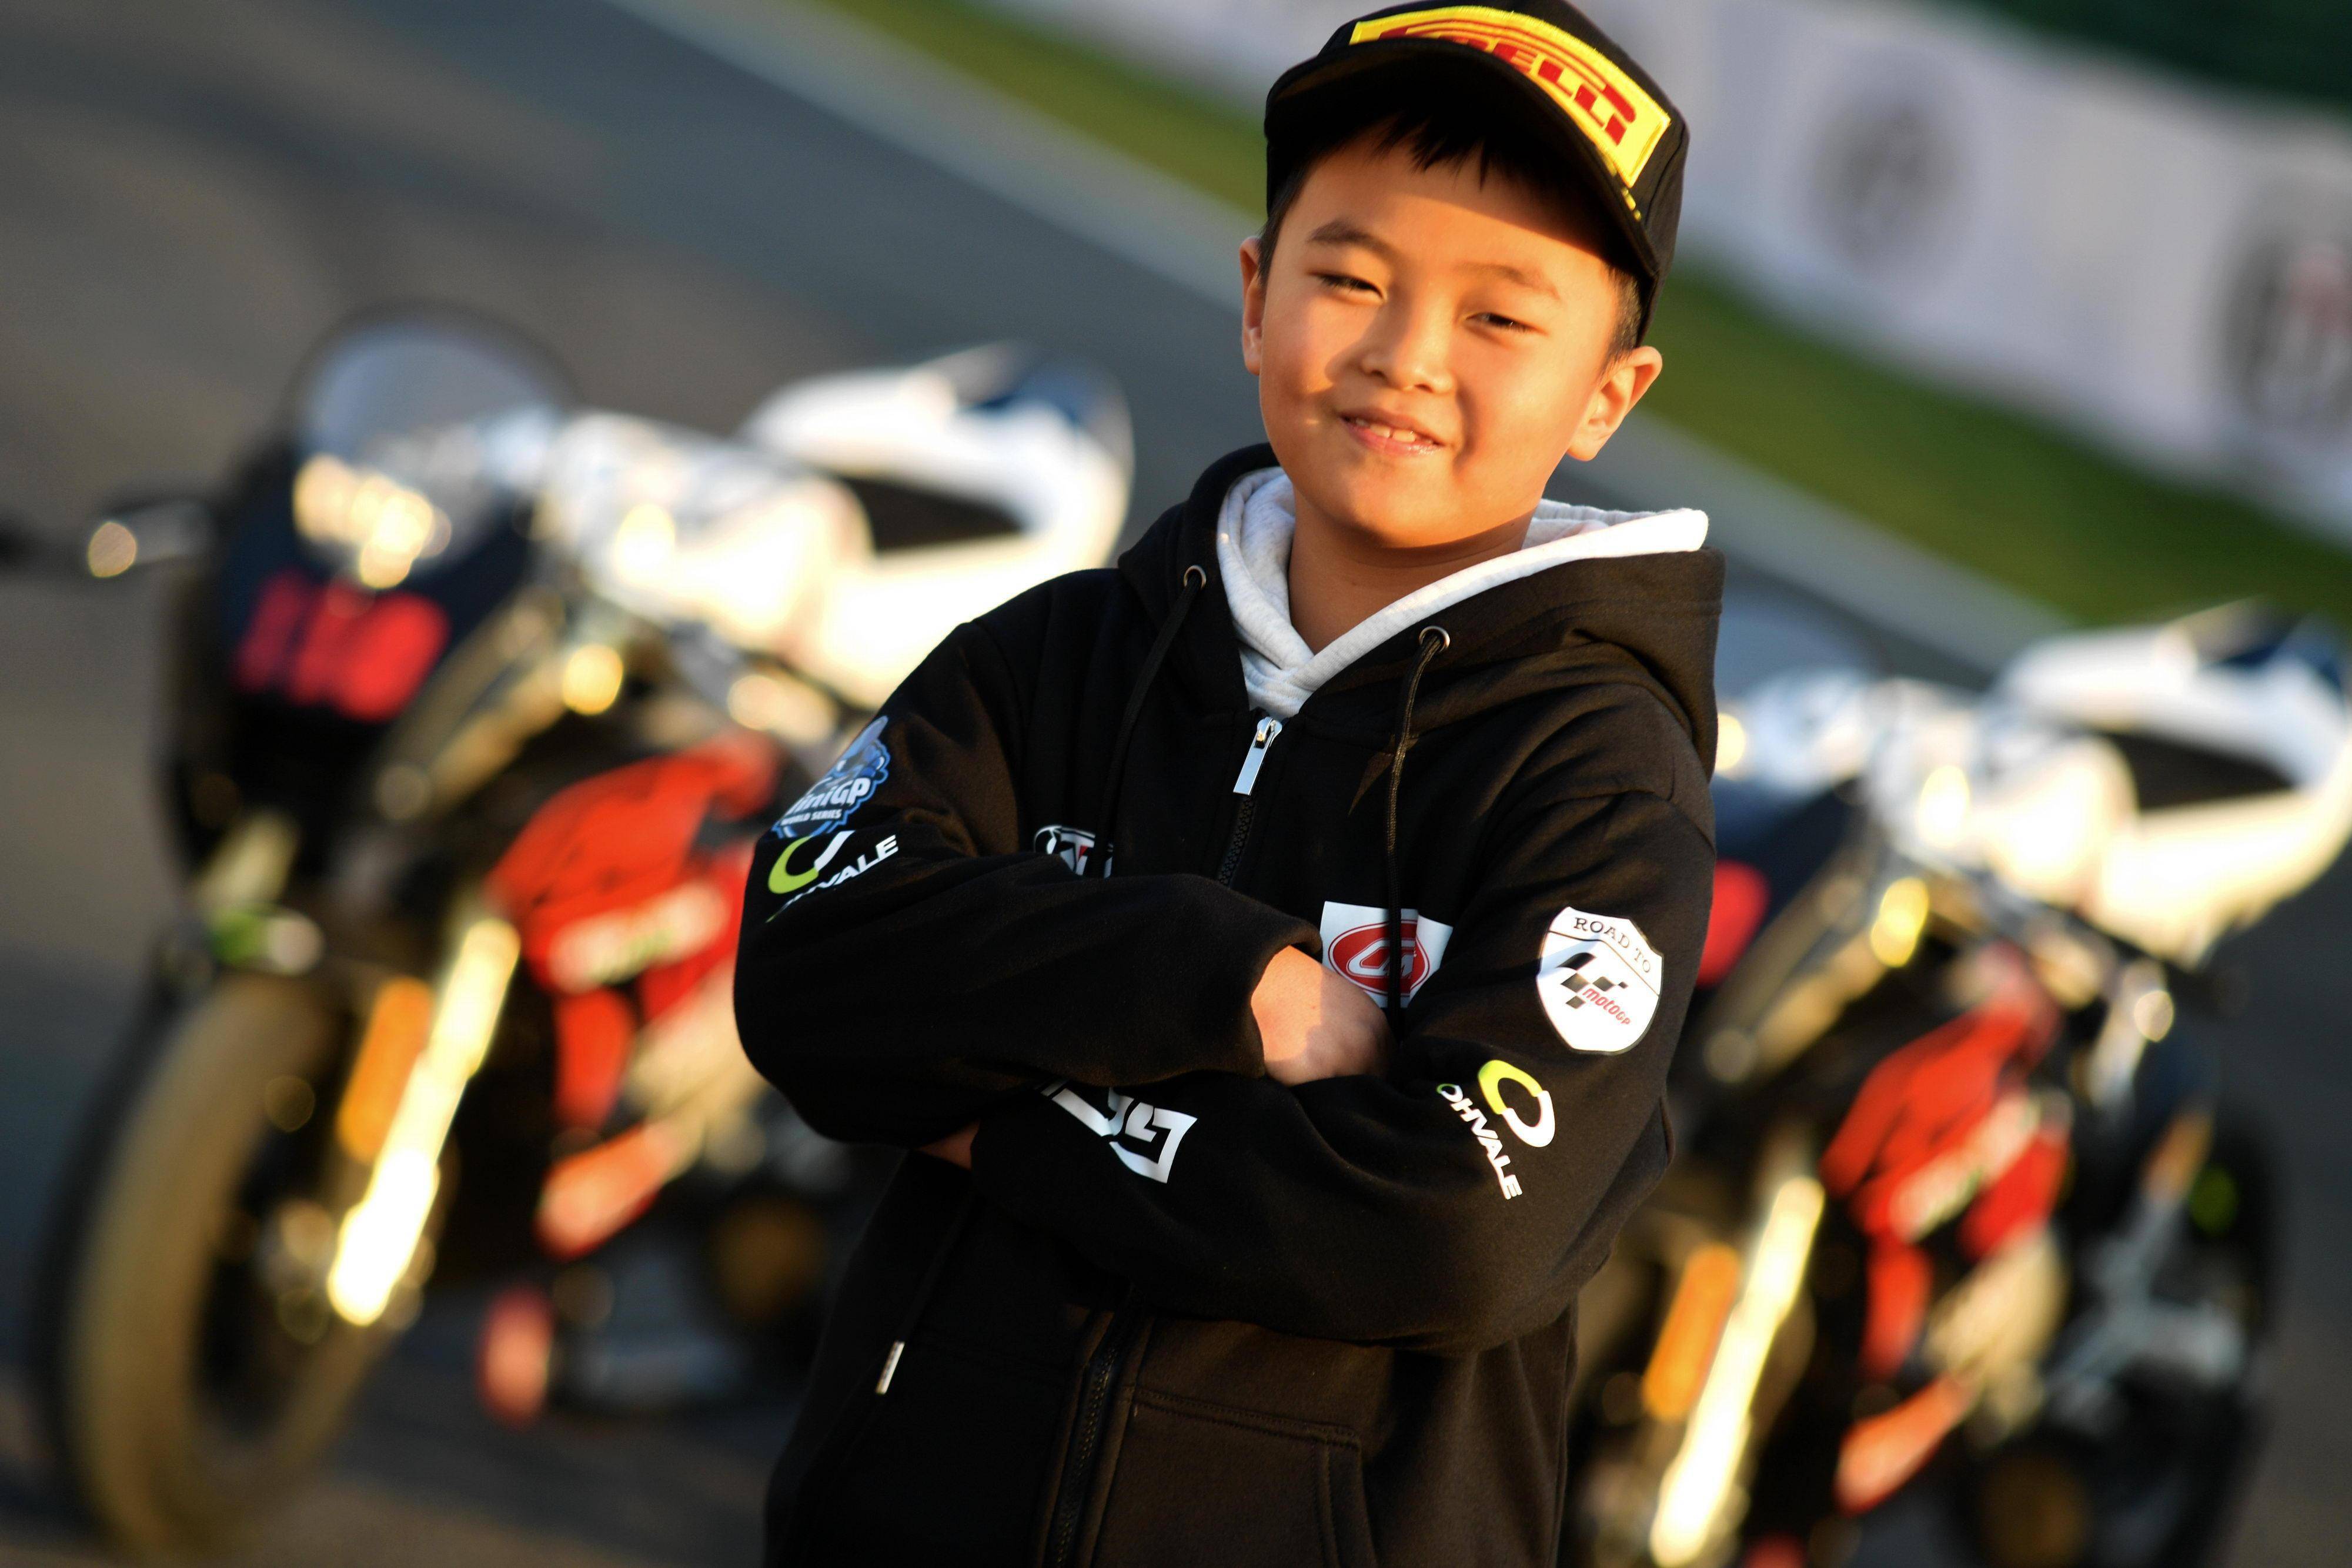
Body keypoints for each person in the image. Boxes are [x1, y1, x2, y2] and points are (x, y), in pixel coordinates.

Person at [734, 4, 1715, 1562]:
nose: (1405, 356)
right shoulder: (1058, 656)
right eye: (1353, 279)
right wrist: (1212, 973)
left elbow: (1452, 1230)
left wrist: (1006, 1126)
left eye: (1498, 318)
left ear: (1609, 393)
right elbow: (807, 964)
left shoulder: (1597, 781)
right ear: (1258, 298)